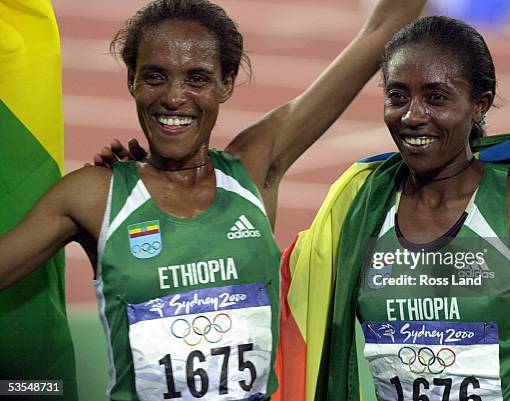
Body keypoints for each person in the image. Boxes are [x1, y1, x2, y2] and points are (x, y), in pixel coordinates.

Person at [0, 1, 427, 400]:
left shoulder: (255, 169)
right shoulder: (94, 195)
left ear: (226, 84)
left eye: (197, 78)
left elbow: (381, 29)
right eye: (154, 76)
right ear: (131, 80)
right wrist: (27, 389)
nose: (173, 97)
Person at [276, 16, 510, 401]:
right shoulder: (362, 204)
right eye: (398, 96)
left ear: (479, 105)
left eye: (436, 97)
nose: (412, 116)